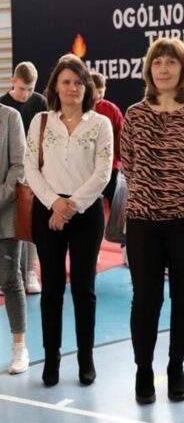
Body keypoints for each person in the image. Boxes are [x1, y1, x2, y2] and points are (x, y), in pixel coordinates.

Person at [121, 38, 184, 405]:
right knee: (145, 298)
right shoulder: (135, 114)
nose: (163, 68)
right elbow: (128, 163)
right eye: (157, 62)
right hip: (143, 220)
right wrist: (151, 193)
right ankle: (143, 369)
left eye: (171, 62)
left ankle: (176, 366)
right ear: (149, 69)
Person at [25, 54, 113, 387]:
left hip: (86, 214)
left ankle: (86, 358)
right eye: (66, 82)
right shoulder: (41, 122)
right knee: (51, 290)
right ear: (56, 87)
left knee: (84, 289)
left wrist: (71, 206)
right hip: (47, 212)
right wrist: (55, 203)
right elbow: (31, 168)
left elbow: (103, 173)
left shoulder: (100, 124)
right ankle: (51, 358)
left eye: (78, 82)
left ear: (87, 87)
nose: (72, 88)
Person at [1, 60, 47, 294]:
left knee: (31, 220)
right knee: (10, 222)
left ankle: (30, 270)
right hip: (12, 171)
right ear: (12, 82)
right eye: (21, 89)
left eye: (30, 89)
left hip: (36, 169)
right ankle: (8, 272)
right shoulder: (3, 105)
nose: (25, 94)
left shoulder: (40, 102)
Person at [0, 103, 28, 374]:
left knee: (10, 279)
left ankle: (19, 348)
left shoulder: (10, 117)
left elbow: (19, 166)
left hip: (5, 214)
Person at [90, 72, 124, 207]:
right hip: (88, 168)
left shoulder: (112, 109)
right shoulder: (79, 109)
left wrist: (121, 160)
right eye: (95, 91)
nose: (98, 96)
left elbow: (120, 136)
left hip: (110, 166)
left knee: (114, 203)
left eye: (101, 92)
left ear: (105, 89)